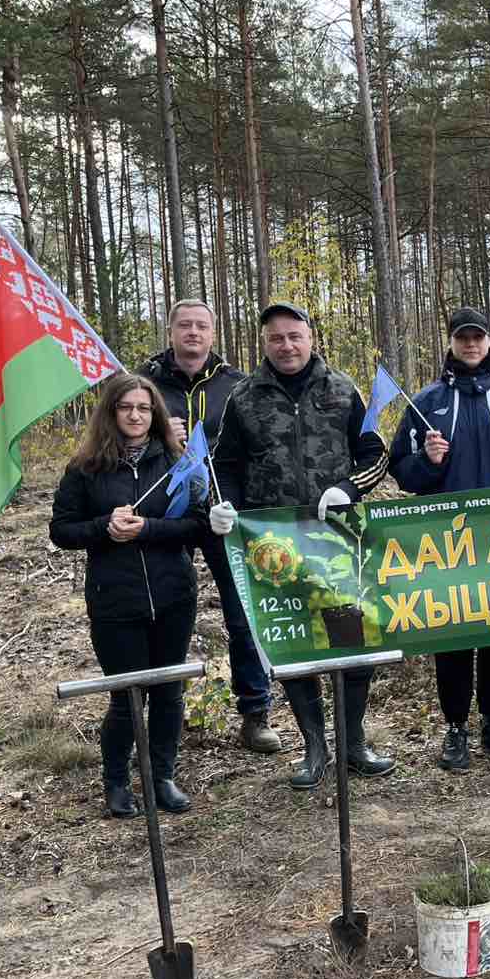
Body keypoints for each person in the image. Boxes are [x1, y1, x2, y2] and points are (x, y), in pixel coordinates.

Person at [208, 301, 396, 786]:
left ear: (310, 338)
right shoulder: (243, 397)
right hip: (273, 544)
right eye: (276, 338)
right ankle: (315, 746)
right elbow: (223, 465)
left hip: (337, 537)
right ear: (264, 343)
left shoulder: (343, 389)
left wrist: (349, 489)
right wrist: (223, 504)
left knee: (353, 637)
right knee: (292, 643)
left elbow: (375, 453)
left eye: (295, 336)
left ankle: (353, 742)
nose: (286, 346)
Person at [390, 307, 490, 771]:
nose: (471, 344)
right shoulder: (426, 401)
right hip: (448, 542)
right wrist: (429, 461)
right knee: (454, 634)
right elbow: (403, 472)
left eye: (478, 336)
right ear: (451, 342)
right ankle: (456, 726)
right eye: (463, 337)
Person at [50, 372, 208, 818]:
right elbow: (61, 530)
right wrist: (105, 526)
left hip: (173, 595)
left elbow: (198, 524)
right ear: (111, 413)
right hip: (115, 600)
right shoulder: (85, 468)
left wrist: (148, 529)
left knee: (169, 692)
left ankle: (162, 777)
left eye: (143, 408)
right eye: (126, 408)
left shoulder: (178, 461)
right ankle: (116, 781)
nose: (135, 416)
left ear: (154, 413)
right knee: (127, 695)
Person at [139, 299, 280, 755]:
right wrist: (161, 436)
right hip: (168, 513)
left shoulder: (237, 384)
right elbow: (121, 440)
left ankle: (255, 713)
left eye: (201, 326)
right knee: (165, 613)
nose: (193, 333)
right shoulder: (145, 384)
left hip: (225, 511)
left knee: (242, 615)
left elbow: (255, 446)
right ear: (171, 331)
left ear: (213, 333)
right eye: (185, 325)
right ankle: (162, 715)